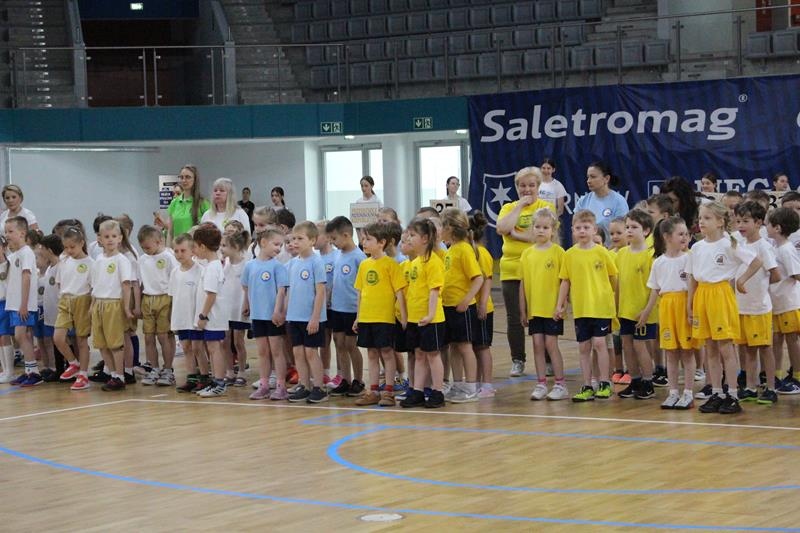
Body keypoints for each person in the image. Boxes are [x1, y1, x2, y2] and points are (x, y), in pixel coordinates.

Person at [688, 202, 762, 414]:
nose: (702, 222)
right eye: (700, 218)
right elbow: (692, 277)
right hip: (702, 295)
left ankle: (733, 394)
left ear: (720, 221)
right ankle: (717, 392)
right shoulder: (697, 247)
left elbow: (756, 262)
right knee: (710, 348)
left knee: (725, 348)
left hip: (720, 295)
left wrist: (742, 280)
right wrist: (690, 304)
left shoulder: (729, 244)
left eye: (707, 218)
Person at [495, 166, 556, 377]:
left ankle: (548, 360)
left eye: (531, 185)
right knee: (514, 318)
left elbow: (540, 236)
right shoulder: (509, 207)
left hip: (539, 270)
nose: (527, 189)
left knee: (541, 315)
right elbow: (502, 228)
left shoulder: (546, 207)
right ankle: (518, 360)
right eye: (522, 185)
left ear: (538, 186)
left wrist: (516, 235)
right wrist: (520, 206)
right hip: (511, 269)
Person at [555, 209, 617, 402]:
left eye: (586, 227)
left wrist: (613, 299)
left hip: (601, 307)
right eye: (578, 227)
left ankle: (604, 382)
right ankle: (587, 385)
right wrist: (560, 304)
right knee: (583, 347)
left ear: (594, 229)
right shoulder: (569, 255)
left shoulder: (602, 252)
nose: (582, 231)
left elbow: (613, 277)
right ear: (573, 230)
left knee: (599, 343)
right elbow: (565, 281)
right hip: (581, 309)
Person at [642, 216, 695, 409]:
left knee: (687, 352)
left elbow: (693, 286)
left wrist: (690, 309)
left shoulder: (689, 258)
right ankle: (673, 393)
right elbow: (655, 289)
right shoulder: (659, 262)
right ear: (667, 236)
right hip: (666, 307)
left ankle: (688, 393)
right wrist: (646, 311)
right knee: (671, 353)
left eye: (686, 234)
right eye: (680, 234)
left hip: (684, 304)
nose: (685, 237)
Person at [352, 222, 407, 407]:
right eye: (363, 239)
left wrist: (403, 315)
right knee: (371, 353)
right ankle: (374, 391)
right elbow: (360, 292)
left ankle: (388, 391)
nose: (364, 243)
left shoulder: (391, 264)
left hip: (384, 318)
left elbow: (400, 292)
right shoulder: (364, 264)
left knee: (387, 353)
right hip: (367, 317)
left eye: (368, 239)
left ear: (382, 242)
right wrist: (358, 317)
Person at [732, 201, 779, 404]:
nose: (740, 225)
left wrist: (761, 286)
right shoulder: (740, 245)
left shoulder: (764, 246)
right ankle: (751, 387)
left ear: (759, 222)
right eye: (738, 221)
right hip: (742, 305)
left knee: (765, 347)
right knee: (748, 349)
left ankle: (771, 388)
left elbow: (775, 274)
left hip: (759, 306)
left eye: (745, 221)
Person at [519, 208, 568, 401]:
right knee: (537, 344)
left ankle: (560, 384)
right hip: (534, 309)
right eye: (537, 226)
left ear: (553, 230)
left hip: (552, 309)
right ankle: (541, 383)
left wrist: (561, 305)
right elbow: (523, 284)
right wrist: (523, 310)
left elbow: (565, 281)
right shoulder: (527, 254)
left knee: (550, 344)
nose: (541, 230)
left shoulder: (559, 252)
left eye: (545, 227)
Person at [398, 218, 446, 409]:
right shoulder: (415, 262)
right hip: (415, 318)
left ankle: (437, 391)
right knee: (418, 354)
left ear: (425, 238)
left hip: (431, 319)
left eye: (413, 235)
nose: (408, 238)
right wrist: (407, 316)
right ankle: (417, 390)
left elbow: (435, 291)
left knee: (433, 355)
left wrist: (430, 315)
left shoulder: (434, 262)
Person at [440, 208, 482, 403]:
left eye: (442, 226)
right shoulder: (451, 249)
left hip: (462, 307)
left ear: (450, 228)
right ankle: (457, 385)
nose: (440, 230)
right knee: (454, 347)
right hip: (449, 306)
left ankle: (471, 386)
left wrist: (466, 300)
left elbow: (478, 278)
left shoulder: (464, 249)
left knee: (465, 347)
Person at [614, 210, 658, 401]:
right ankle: (635, 379)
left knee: (640, 346)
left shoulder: (651, 255)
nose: (629, 231)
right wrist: (616, 308)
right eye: (627, 227)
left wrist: (647, 310)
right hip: (626, 310)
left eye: (634, 227)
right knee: (627, 345)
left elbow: (655, 287)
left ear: (646, 231)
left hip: (643, 311)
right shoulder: (621, 254)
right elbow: (618, 284)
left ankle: (648, 381)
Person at [243, 228, 289, 401]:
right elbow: (246, 286)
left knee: (277, 351)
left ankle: (281, 386)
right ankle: (263, 385)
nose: (279, 248)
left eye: (281, 245)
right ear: (263, 243)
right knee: (262, 351)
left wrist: (278, 311)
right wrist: (246, 303)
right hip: (257, 316)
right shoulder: (250, 265)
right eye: (276, 244)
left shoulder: (278, 266)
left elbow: (281, 291)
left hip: (272, 317)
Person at [286, 221, 328, 404]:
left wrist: (315, 317)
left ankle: (319, 387)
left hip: (311, 318)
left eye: (300, 238)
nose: (295, 242)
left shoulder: (316, 262)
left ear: (312, 240)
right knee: (298, 352)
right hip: (294, 316)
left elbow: (320, 291)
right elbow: (289, 290)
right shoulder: (292, 263)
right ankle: (304, 385)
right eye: (293, 238)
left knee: (311, 352)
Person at [89, 220, 134, 392]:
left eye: (114, 236)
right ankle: (112, 374)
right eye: (106, 236)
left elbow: (126, 285)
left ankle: (120, 376)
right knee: (102, 344)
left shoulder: (122, 260)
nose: (110, 240)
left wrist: (126, 307)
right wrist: (92, 305)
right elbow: (95, 285)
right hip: (99, 304)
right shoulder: (98, 260)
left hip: (113, 304)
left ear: (120, 238)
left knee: (115, 343)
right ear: (99, 239)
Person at [325, 216, 366, 397]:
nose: (332, 242)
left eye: (334, 238)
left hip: (352, 309)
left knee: (351, 344)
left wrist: (360, 312)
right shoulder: (337, 255)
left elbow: (363, 287)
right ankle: (345, 379)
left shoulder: (359, 257)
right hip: (337, 307)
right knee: (339, 342)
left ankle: (358, 380)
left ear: (346, 235)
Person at [137, 225, 178, 387]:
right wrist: (138, 303)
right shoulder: (142, 259)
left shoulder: (169, 257)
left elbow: (175, 280)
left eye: (148, 247)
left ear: (159, 241)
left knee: (163, 336)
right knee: (148, 337)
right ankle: (154, 368)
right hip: (148, 298)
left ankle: (168, 369)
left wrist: (174, 303)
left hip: (165, 298)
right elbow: (140, 283)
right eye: (143, 248)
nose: (145, 250)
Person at [192, 224, 229, 398]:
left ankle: (220, 382)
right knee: (212, 348)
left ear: (202, 246)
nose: (194, 250)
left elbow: (211, 295)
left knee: (215, 349)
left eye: (195, 246)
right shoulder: (211, 266)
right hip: (211, 317)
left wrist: (203, 316)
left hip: (213, 317)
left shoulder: (213, 267)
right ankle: (215, 381)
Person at [170, 233, 211, 393]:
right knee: (186, 347)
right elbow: (173, 296)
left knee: (197, 348)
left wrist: (201, 317)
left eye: (183, 250)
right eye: (176, 251)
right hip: (181, 317)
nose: (179, 254)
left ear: (192, 251)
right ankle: (191, 377)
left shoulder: (200, 271)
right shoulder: (175, 272)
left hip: (194, 317)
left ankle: (204, 376)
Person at [766, 208, 800, 394]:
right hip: (777, 303)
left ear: (777, 228)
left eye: (768, 223)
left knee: (791, 340)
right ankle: (777, 376)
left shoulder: (787, 249)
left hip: (788, 303)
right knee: (777, 339)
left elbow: (797, 274)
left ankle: (797, 376)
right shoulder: (776, 248)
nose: (765, 226)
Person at [54, 227, 93, 390]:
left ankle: (83, 375)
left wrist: (91, 306)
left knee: (81, 340)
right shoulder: (63, 260)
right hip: (65, 300)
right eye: (66, 247)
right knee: (58, 337)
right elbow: (59, 282)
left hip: (82, 300)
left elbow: (93, 288)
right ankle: (73, 363)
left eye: (72, 247)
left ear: (82, 243)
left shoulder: (90, 263)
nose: (69, 250)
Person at [5, 217, 42, 386]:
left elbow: (26, 278)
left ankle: (34, 372)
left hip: (23, 304)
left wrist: (24, 304)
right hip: (14, 304)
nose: (7, 235)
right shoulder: (14, 255)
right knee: (23, 336)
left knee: (21, 335)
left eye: (10, 231)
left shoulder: (26, 253)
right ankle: (29, 370)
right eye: (6, 231)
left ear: (22, 233)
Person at [469, 212, 495, 398]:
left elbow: (487, 279)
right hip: (472, 306)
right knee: (474, 347)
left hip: (482, 307)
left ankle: (487, 384)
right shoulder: (468, 251)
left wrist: (483, 304)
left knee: (483, 347)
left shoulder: (482, 253)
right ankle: (476, 382)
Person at [220, 228, 250, 387]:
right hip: (226, 308)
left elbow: (247, 287)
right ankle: (229, 371)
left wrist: (247, 303)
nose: (221, 249)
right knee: (224, 341)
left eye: (224, 245)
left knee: (238, 341)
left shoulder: (246, 264)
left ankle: (242, 372)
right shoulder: (224, 263)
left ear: (236, 247)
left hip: (239, 308)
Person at [574, 162, 629, 244]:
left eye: (593, 177)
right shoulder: (583, 201)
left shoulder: (619, 201)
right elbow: (575, 230)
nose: (588, 181)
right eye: (588, 177)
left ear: (606, 179)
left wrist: (605, 251)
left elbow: (622, 234)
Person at [160, 165, 210, 245]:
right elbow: (170, 232)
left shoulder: (203, 203)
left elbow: (208, 231)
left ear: (195, 180)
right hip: (177, 248)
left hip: (195, 248)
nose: (184, 180)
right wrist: (169, 249)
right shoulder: (174, 203)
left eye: (188, 177)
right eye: (181, 177)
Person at [35, 234, 61, 382]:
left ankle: (57, 366)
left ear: (49, 251)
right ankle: (50, 367)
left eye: (42, 249)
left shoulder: (58, 268)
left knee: (54, 340)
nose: (40, 251)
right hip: (45, 312)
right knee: (45, 340)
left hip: (56, 312)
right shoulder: (47, 269)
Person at [0, 236, 11, 383]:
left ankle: (10, 370)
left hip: (6, 303)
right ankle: (4, 370)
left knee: (5, 336)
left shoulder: (9, 265)